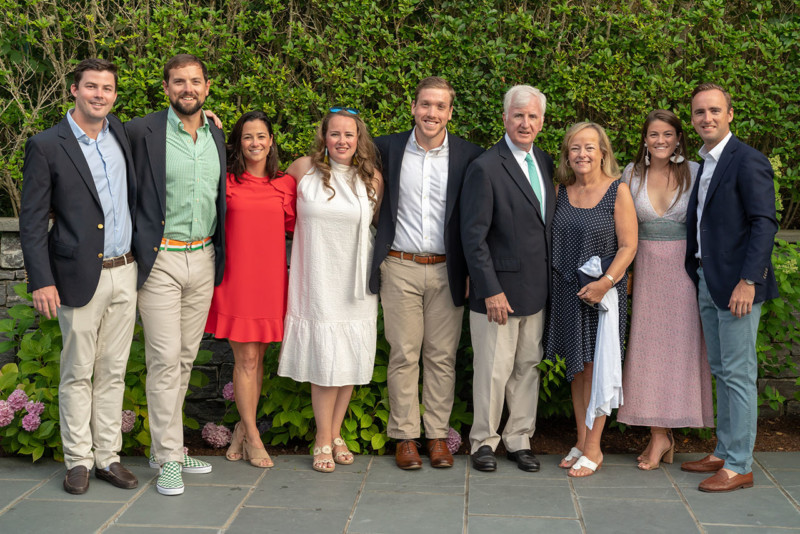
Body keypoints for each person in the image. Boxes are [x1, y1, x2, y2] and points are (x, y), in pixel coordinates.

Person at [20, 58, 139, 495]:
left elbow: (165, 129)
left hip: (126, 270)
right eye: (91, 87)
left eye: (107, 88)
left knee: (113, 370)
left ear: (114, 95)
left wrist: (207, 118)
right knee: (77, 371)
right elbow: (32, 220)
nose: (99, 95)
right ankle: (78, 461)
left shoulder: (120, 133)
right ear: (74, 90)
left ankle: (107, 457)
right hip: (76, 275)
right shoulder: (47, 145)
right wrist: (41, 279)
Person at [369, 77, 483, 470]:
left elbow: (474, 218)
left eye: (440, 106)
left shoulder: (469, 156)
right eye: (425, 105)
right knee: (403, 353)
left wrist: (470, 270)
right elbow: (334, 149)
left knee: (442, 357)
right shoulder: (386, 148)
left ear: (450, 112)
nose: (431, 113)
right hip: (399, 265)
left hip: (447, 269)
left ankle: (436, 436)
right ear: (413, 108)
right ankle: (404, 437)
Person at [126, 54, 226, 496]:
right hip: (161, 259)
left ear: (207, 87)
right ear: (166, 87)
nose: (188, 88)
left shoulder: (216, 133)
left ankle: (163, 447)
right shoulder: (140, 131)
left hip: (203, 258)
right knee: (165, 360)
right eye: (179, 81)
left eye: (195, 81)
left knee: (185, 358)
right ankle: (169, 457)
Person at [680, 83, 778, 492]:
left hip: (739, 286)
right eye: (700, 112)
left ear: (730, 114)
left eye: (715, 110)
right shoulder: (705, 163)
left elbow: (764, 223)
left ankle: (739, 466)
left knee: (738, 374)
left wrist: (749, 281)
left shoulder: (747, 160)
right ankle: (723, 450)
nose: (707, 118)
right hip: (709, 279)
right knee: (721, 370)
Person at [278, 108, 384, 473]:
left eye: (349, 134)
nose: (342, 140)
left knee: (349, 359)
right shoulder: (302, 169)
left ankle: (335, 434)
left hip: (356, 282)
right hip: (317, 279)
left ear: (359, 139)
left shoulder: (372, 178)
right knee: (326, 360)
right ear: (324, 137)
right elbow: (271, 200)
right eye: (335, 133)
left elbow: (377, 227)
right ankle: (322, 438)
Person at [460, 85, 555, 473]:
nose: (525, 123)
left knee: (527, 367)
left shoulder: (545, 162)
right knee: (492, 371)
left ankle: (519, 438)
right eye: (518, 115)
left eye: (532, 116)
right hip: (497, 293)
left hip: (536, 290)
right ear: (504, 118)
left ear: (542, 122)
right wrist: (490, 289)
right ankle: (483, 441)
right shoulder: (485, 167)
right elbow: (473, 236)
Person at [616, 110, 714, 470]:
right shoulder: (630, 174)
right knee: (648, 352)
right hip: (645, 271)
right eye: (654, 134)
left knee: (679, 352)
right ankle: (659, 434)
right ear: (645, 139)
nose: (660, 141)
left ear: (678, 139)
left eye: (668, 134)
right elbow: (620, 227)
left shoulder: (696, 172)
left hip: (685, 272)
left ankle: (663, 435)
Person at [544, 122, 637, 478]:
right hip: (568, 292)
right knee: (578, 370)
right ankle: (582, 441)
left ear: (602, 153)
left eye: (589, 147)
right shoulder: (560, 191)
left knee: (598, 369)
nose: (582, 154)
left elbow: (629, 246)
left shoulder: (618, 191)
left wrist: (605, 283)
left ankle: (595, 448)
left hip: (603, 297)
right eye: (575, 148)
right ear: (567, 155)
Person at [205, 111, 296, 469]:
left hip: (271, 282)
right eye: (247, 137)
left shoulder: (286, 184)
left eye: (261, 136)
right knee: (245, 359)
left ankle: (243, 429)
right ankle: (254, 438)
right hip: (237, 282)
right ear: (238, 143)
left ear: (271, 141)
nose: (255, 143)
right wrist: (208, 125)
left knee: (257, 359)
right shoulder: (226, 181)